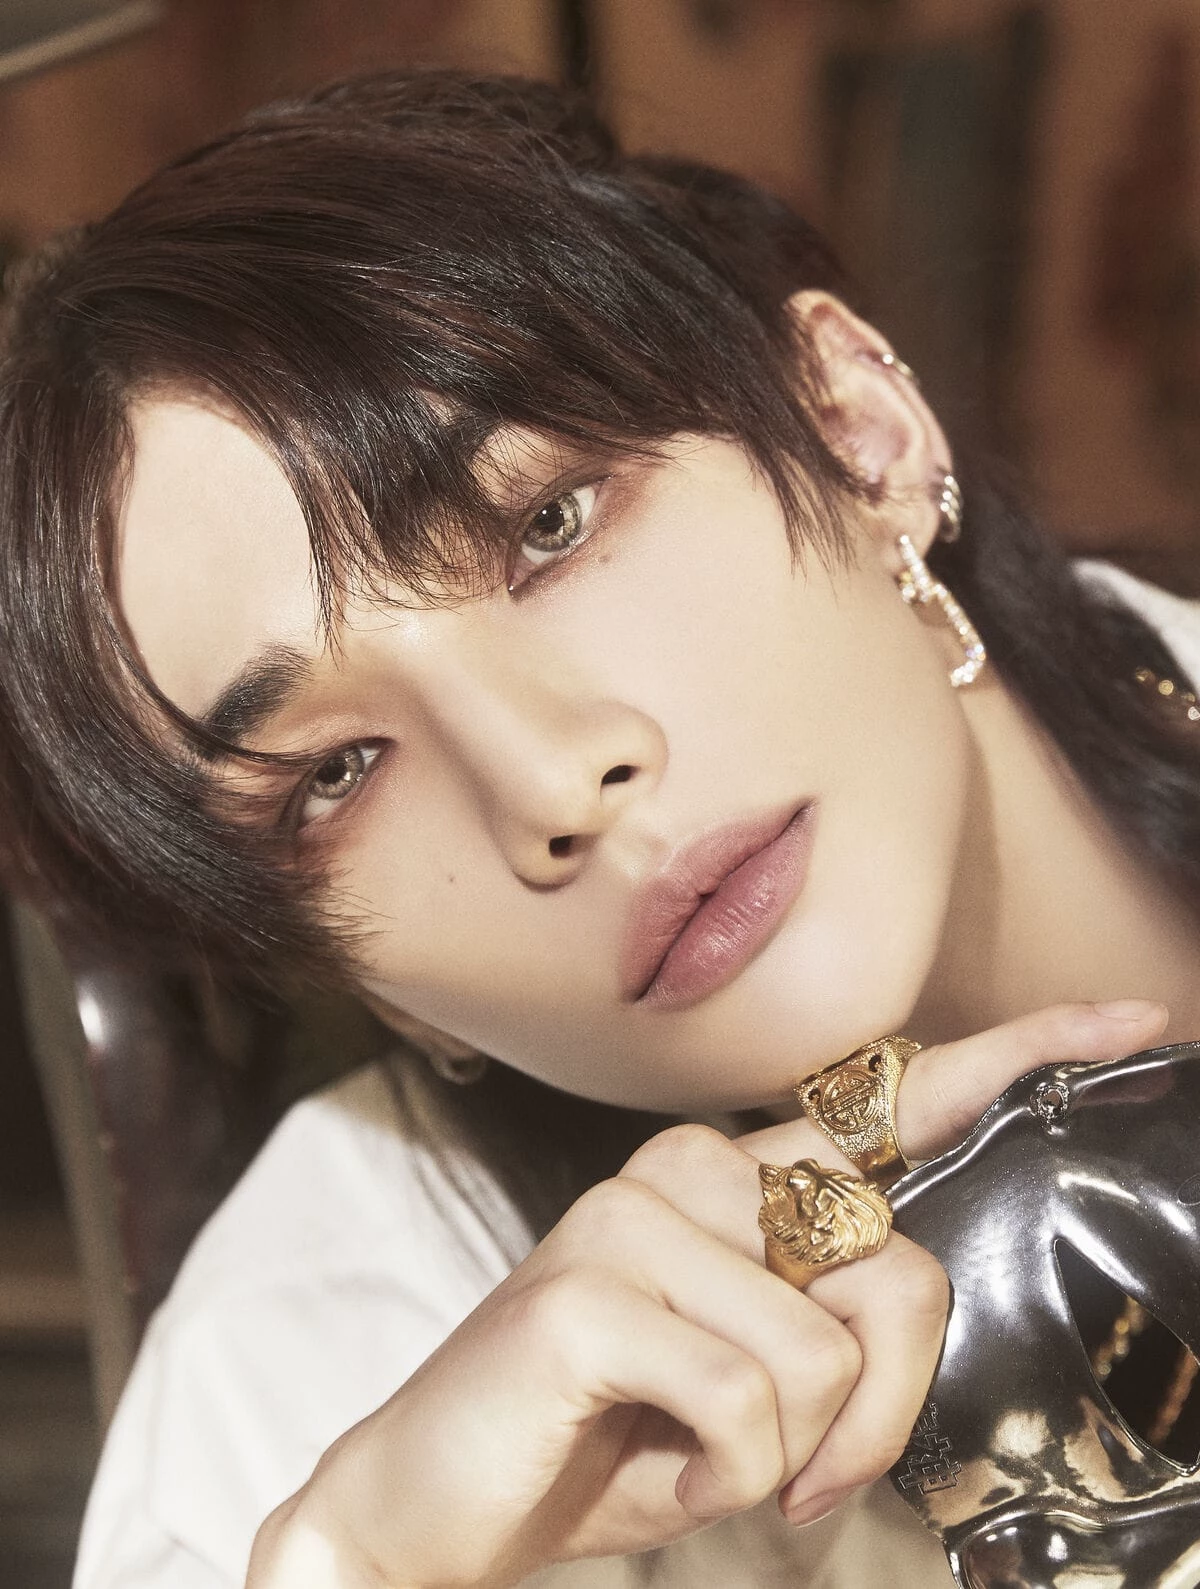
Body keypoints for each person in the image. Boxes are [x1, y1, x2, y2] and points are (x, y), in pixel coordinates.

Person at [1, 68, 1199, 1589]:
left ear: (858, 431)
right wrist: (356, 1558)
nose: (554, 788)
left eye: (549, 525)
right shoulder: (310, 1371)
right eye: (336, 773)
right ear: (360, 975)